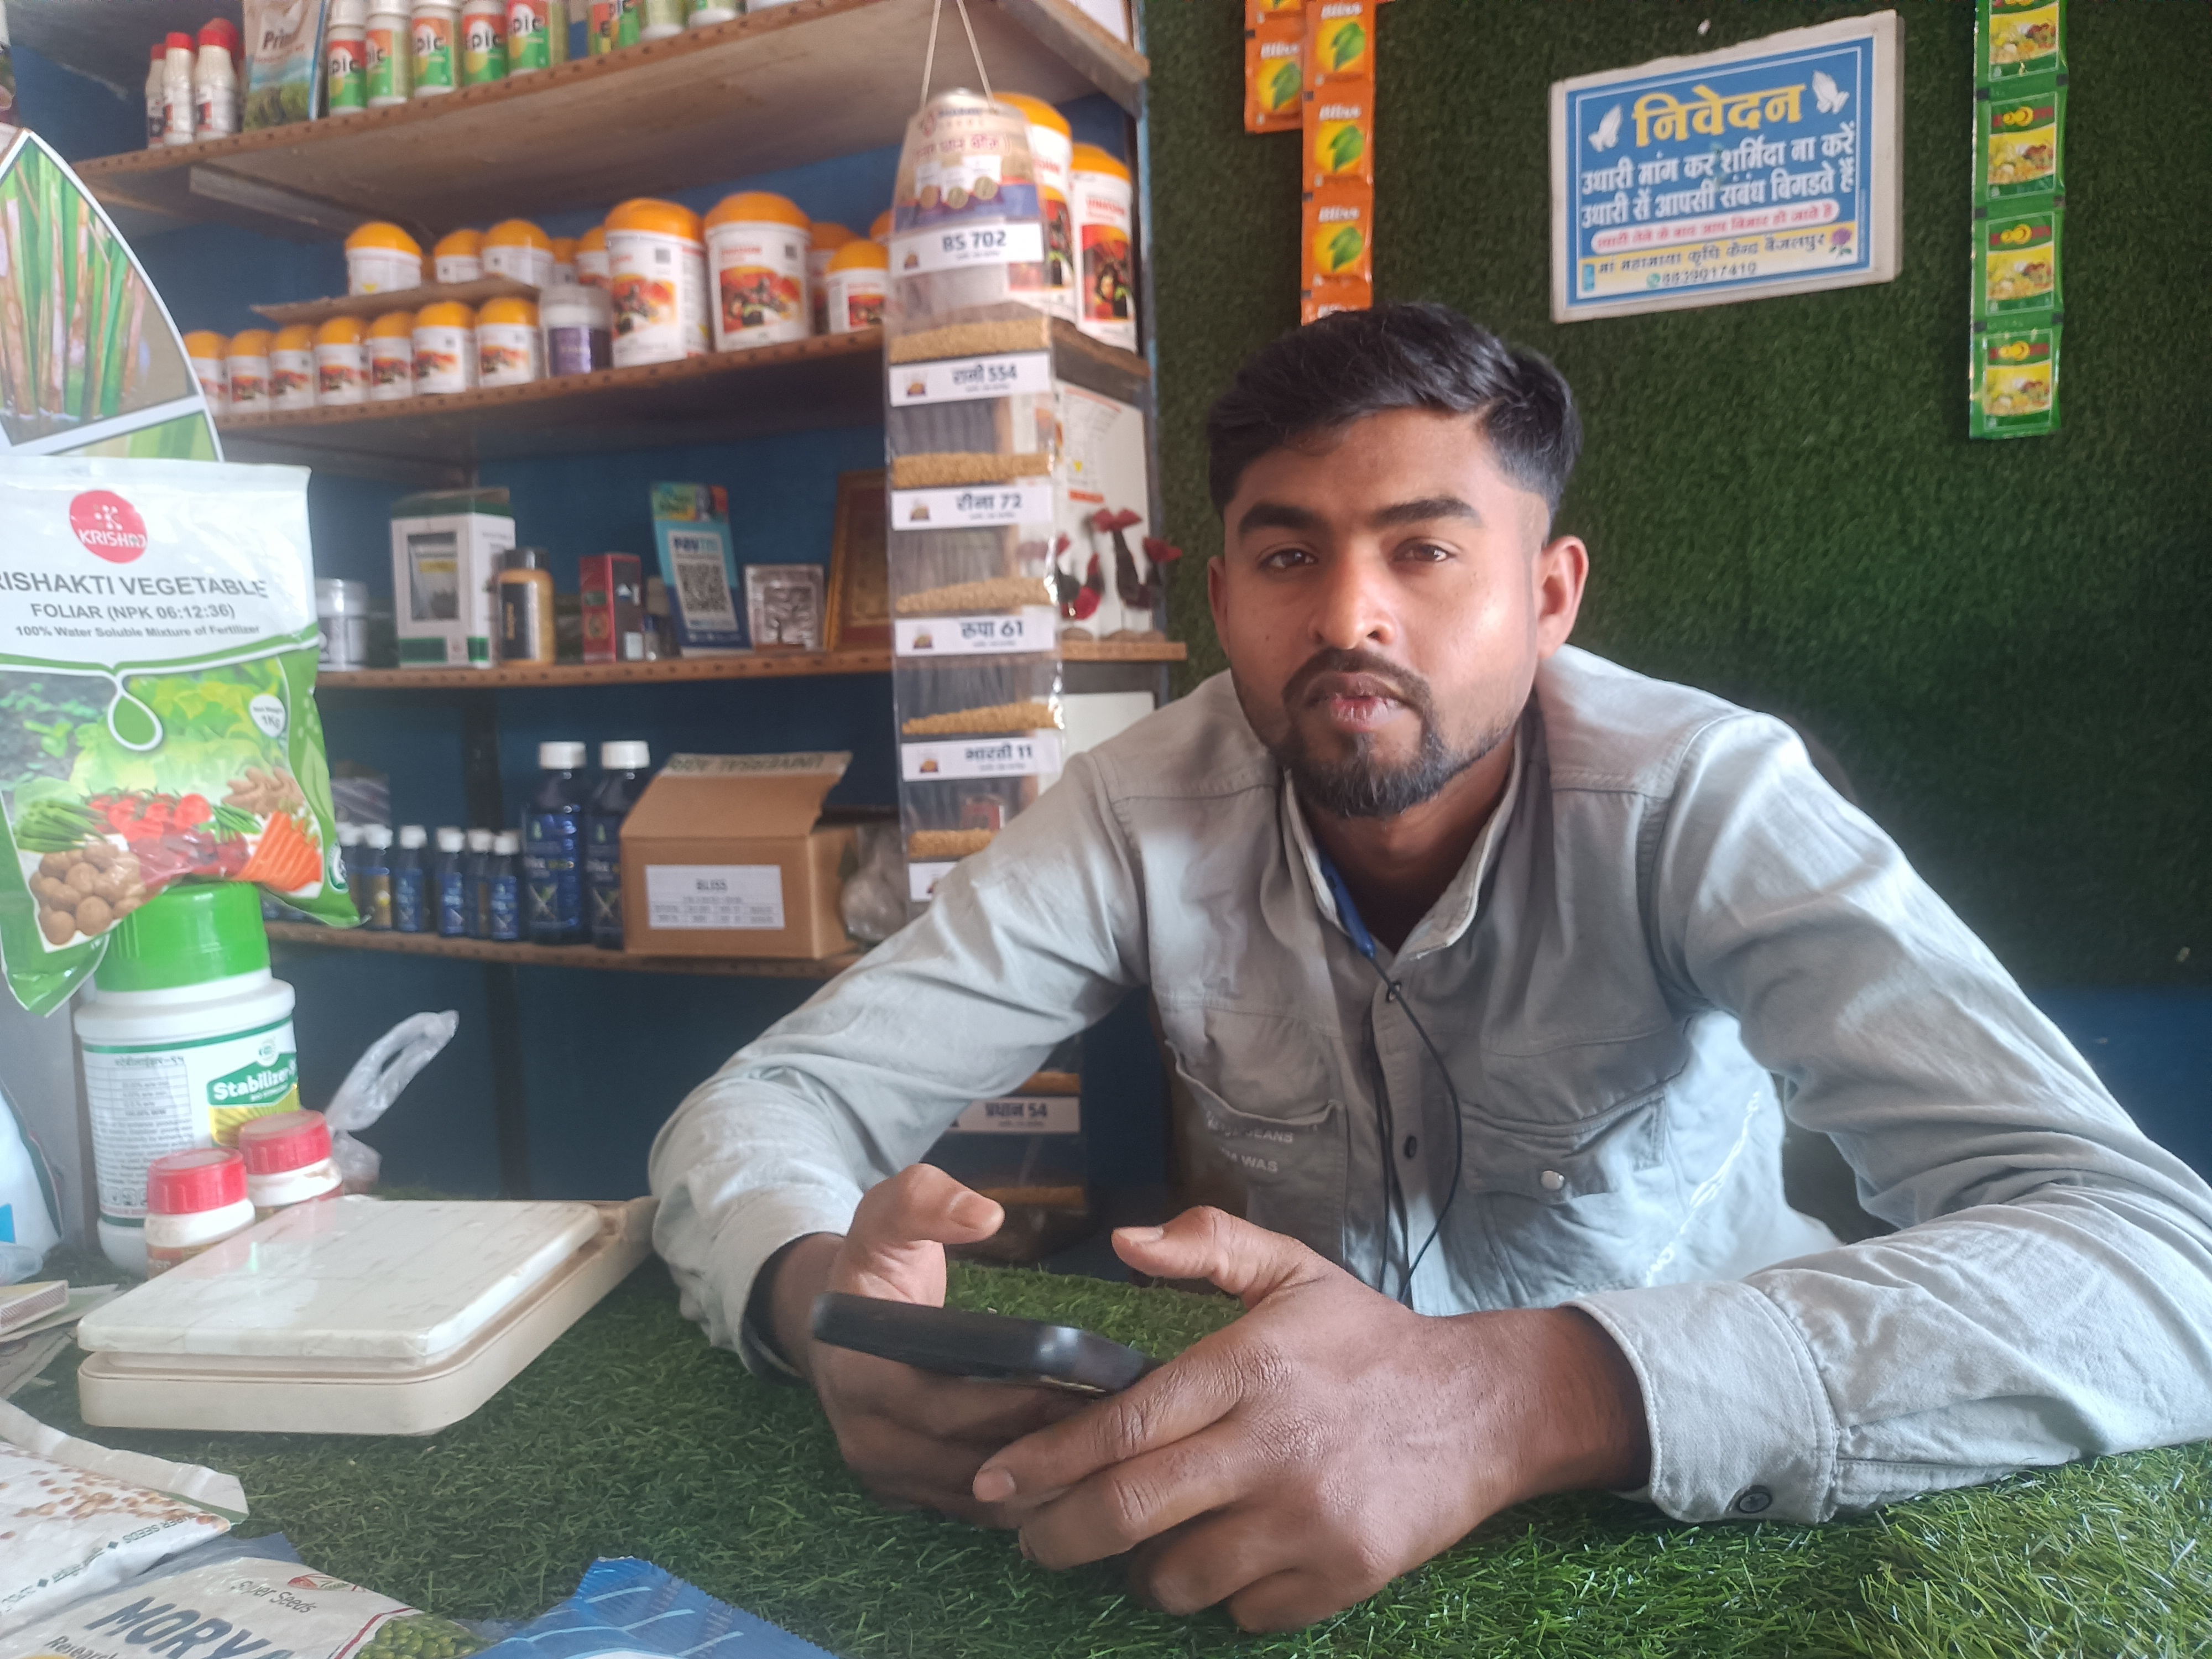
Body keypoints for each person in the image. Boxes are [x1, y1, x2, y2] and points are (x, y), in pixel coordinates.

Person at [650, 302, 2212, 1633]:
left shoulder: (1708, 798)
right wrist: (813, 1302)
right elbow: (768, 1103)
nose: (1351, 617)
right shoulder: (1136, 812)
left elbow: (2158, 1266)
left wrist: (1518, 1395)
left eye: (1426, 551)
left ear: (1549, 596)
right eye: (1288, 555)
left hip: (1710, 1517)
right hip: (1292, 1485)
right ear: (1223, 600)